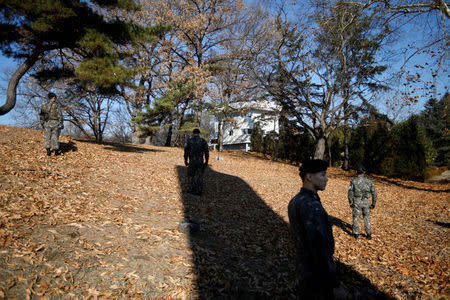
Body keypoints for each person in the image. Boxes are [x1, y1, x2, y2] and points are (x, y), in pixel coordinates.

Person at [288, 159, 346, 299]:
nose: (326, 179)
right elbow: (319, 248)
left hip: (302, 271)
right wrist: (335, 284)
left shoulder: (295, 200)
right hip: (316, 276)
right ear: (309, 177)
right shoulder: (311, 206)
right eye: (322, 175)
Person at [348, 166, 377, 240]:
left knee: (356, 217)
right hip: (366, 202)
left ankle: (356, 234)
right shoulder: (369, 181)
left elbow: (350, 192)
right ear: (364, 172)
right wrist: (373, 203)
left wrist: (350, 202)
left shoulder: (353, 181)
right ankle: (369, 234)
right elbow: (374, 193)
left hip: (357, 201)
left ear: (357, 172)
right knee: (367, 217)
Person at [184, 128, 209, 195]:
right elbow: (206, 152)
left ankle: (193, 188)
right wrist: (206, 161)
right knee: (199, 176)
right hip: (200, 160)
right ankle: (199, 191)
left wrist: (185, 160)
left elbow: (186, 151)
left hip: (192, 160)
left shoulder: (189, 141)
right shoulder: (203, 141)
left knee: (190, 175)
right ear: (199, 133)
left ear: (193, 133)